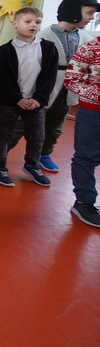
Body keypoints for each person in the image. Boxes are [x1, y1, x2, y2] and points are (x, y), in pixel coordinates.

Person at [0, 0, 100, 173]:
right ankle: (2, 152)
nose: (91, 18)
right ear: (74, 12)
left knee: (57, 122)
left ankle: (44, 154)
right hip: (45, 84)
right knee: (25, 122)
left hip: (70, 86)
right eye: (88, 13)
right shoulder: (45, 35)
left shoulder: (85, 37)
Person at [0, 7, 58, 188]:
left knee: (37, 136)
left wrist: (38, 99)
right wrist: (17, 99)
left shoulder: (49, 48)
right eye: (27, 21)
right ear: (15, 24)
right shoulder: (5, 50)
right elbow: (4, 79)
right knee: (4, 134)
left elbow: (50, 78)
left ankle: (32, 164)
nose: (33, 25)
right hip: (11, 102)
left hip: (36, 102)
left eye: (37, 22)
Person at [64, 33, 100, 227]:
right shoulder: (90, 48)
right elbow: (71, 79)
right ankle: (84, 203)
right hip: (93, 113)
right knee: (86, 157)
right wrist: (96, 94)